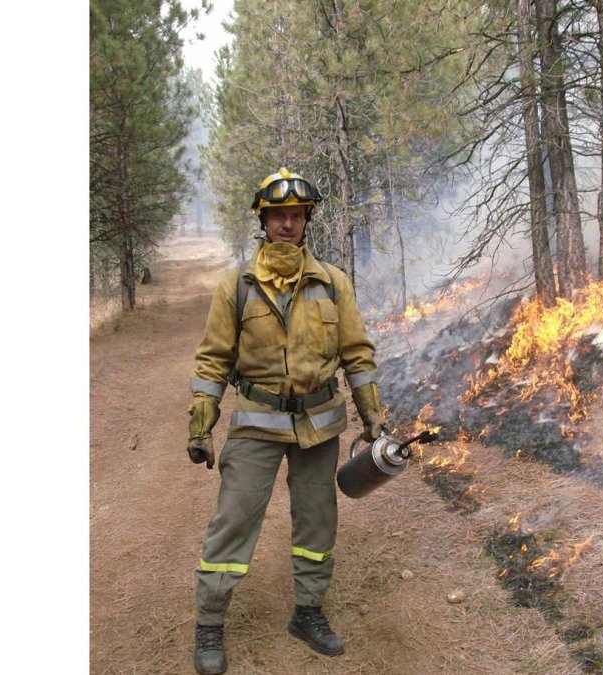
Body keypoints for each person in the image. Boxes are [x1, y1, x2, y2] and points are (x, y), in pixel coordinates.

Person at [185, 168, 386, 675]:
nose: (288, 224)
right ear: (264, 220)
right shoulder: (237, 285)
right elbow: (212, 360)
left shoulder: (333, 283)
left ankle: (308, 613)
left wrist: (373, 416)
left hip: (318, 428)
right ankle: (210, 623)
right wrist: (201, 425)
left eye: (296, 216)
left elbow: (357, 355)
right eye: (279, 216)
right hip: (256, 425)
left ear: (306, 220)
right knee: (233, 523)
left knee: (317, 521)